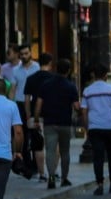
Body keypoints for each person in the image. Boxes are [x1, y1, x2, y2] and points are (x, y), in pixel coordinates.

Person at [80, 64, 111, 195]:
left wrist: (86, 127)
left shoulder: (87, 91)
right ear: (106, 76)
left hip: (95, 128)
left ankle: (100, 184)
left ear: (93, 75)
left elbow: (83, 111)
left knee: (98, 157)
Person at [34, 59, 81, 190]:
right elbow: (76, 106)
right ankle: (65, 178)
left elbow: (38, 104)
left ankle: (51, 177)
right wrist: (80, 113)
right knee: (65, 151)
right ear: (69, 71)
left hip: (49, 123)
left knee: (50, 151)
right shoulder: (71, 86)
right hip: (65, 123)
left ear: (56, 69)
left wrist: (37, 119)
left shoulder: (46, 84)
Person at [23, 52, 56, 182]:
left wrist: (28, 115)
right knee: (52, 145)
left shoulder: (31, 78)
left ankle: (42, 174)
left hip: (35, 116)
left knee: (37, 146)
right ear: (50, 63)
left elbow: (26, 99)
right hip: (52, 115)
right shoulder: (53, 78)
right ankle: (53, 172)